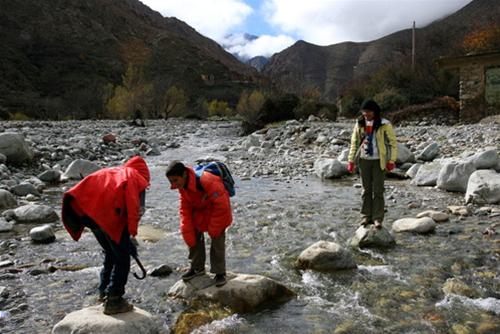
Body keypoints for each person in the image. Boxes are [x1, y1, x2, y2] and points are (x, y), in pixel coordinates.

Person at [61, 156, 150, 315]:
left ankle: (103, 292)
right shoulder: (135, 177)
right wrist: (131, 234)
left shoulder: (114, 171)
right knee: (122, 258)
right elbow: (134, 206)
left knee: (111, 252)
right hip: (104, 215)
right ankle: (114, 300)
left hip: (84, 212)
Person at [165, 160, 232, 287]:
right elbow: (185, 209)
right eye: (171, 181)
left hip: (218, 211)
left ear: (184, 175)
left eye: (175, 180)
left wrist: (214, 228)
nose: (173, 185)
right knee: (191, 234)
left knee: (217, 238)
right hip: (200, 210)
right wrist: (186, 230)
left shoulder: (208, 180)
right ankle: (197, 268)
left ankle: (220, 273)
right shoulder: (182, 186)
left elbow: (222, 206)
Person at [347, 99, 397, 229]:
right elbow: (354, 143)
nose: (366, 114)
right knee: (366, 190)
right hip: (364, 160)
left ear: (375, 112)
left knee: (378, 191)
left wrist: (391, 160)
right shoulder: (359, 124)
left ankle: (377, 218)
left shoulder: (385, 124)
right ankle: (365, 216)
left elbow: (392, 143)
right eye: (364, 112)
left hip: (379, 161)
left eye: (368, 112)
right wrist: (351, 160)